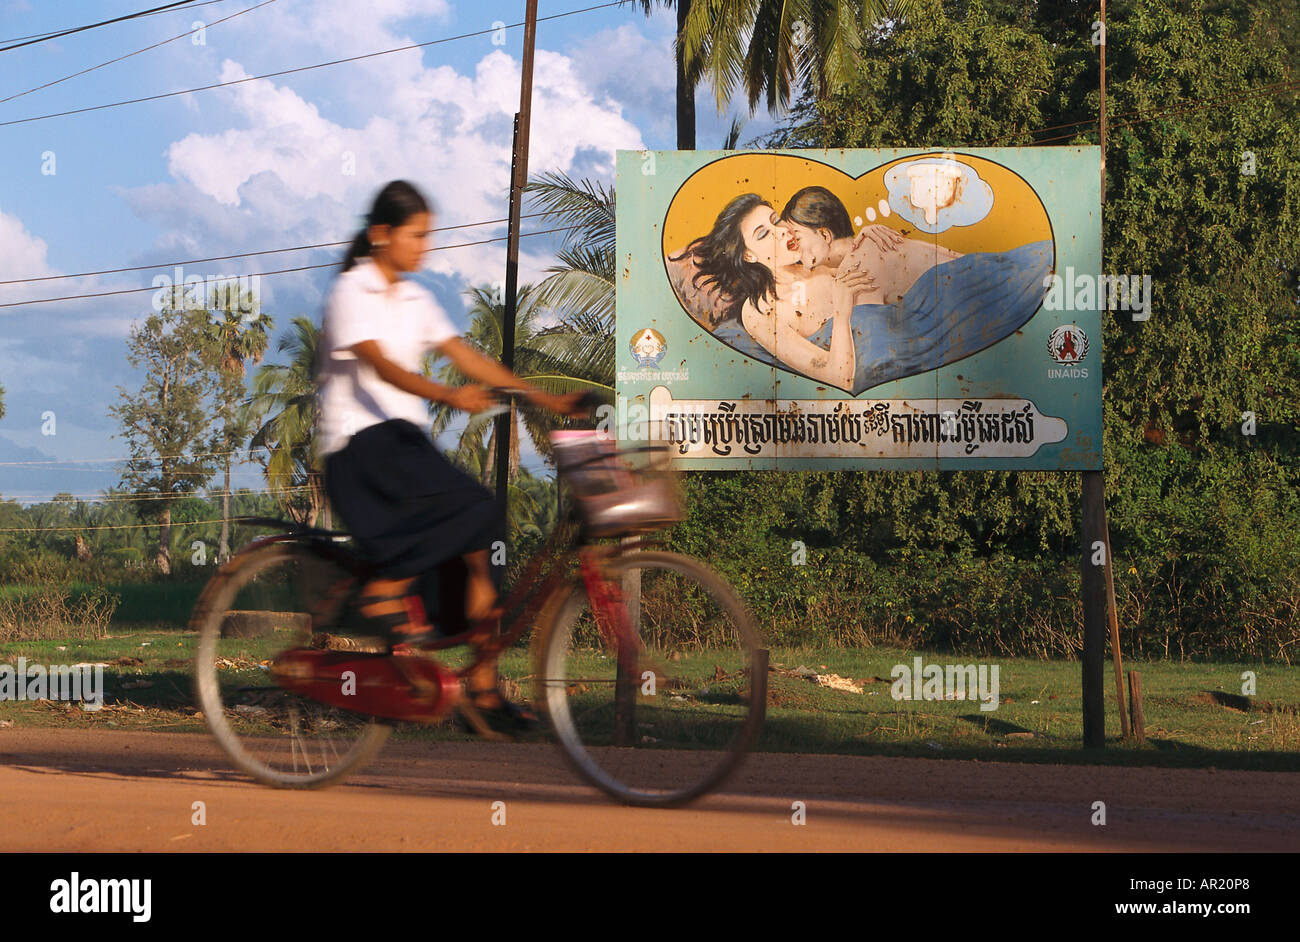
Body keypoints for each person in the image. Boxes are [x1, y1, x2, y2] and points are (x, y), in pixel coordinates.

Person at [315, 180, 585, 729]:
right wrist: (445, 395)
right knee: (475, 507)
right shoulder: (351, 290)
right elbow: (378, 365)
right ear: (381, 235)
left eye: (428, 236)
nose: (424, 247)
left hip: (403, 446)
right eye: (416, 235)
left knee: (484, 537)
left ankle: (482, 688)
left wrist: (544, 397)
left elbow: (466, 357)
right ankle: (385, 590)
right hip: (357, 451)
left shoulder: (415, 298)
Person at [668, 193, 873, 389]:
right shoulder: (759, 310)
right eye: (764, 233)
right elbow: (839, 378)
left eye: (776, 221)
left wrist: (870, 237)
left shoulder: (818, 256)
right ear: (748, 256)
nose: (781, 231)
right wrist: (842, 313)